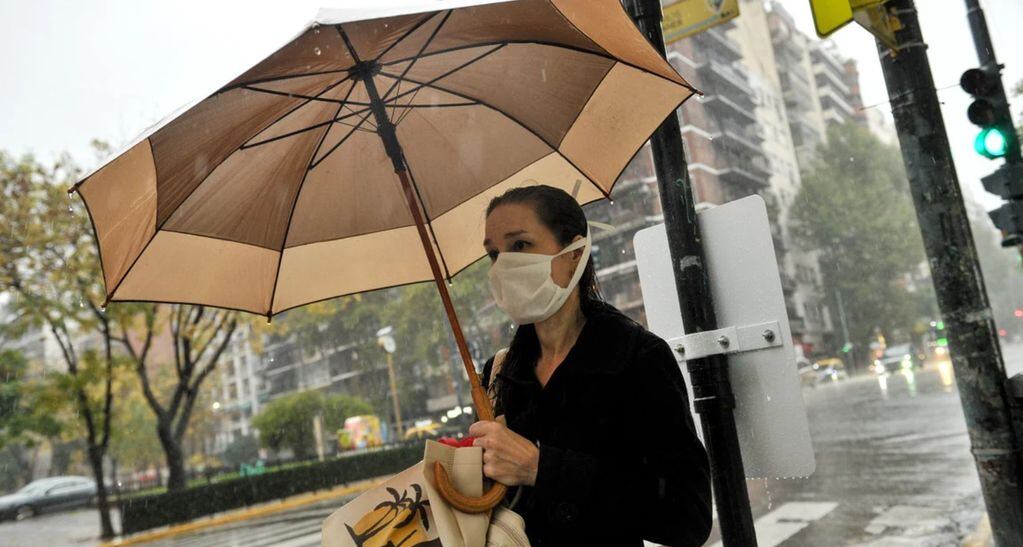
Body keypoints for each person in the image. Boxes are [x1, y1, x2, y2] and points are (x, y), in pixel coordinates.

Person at [469, 185, 712, 547]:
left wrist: (542, 468)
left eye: (520, 245)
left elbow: (687, 516)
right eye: (493, 254)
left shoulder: (637, 359)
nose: (504, 266)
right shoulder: (499, 373)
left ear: (575, 254)